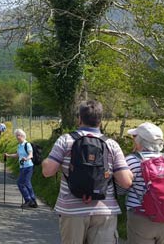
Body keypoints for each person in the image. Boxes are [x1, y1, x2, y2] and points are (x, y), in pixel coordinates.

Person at [42, 100, 133, 244]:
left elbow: (48, 171)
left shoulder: (65, 140)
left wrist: (45, 162)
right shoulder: (111, 144)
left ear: (79, 118)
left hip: (72, 210)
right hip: (104, 210)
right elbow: (126, 182)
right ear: (100, 120)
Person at [4, 128, 37, 208]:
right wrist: (8, 155)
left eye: (18, 135)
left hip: (28, 166)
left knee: (20, 183)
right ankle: (33, 201)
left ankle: (28, 200)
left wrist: (26, 158)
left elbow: (31, 155)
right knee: (27, 183)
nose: (17, 137)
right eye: (16, 135)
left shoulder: (27, 144)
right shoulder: (19, 145)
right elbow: (17, 155)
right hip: (22, 167)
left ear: (23, 136)